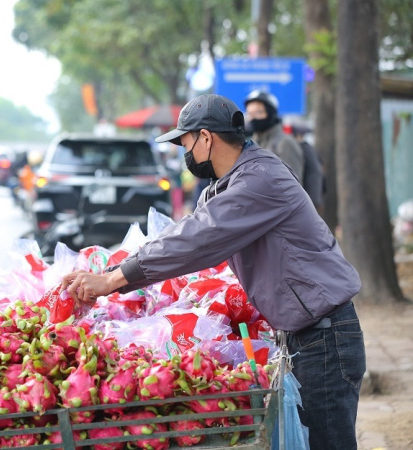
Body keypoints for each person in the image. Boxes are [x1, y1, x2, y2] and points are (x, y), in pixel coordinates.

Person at [61, 94, 365, 450]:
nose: (183, 152)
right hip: (305, 335)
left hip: (325, 338)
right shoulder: (227, 184)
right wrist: (110, 273)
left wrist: (112, 281)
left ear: (205, 138)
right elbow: (181, 231)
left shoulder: (260, 179)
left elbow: (197, 239)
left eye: (184, 141)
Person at [244, 90, 305, 182]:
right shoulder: (251, 144)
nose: (253, 118)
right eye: (250, 114)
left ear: (271, 114)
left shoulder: (285, 143)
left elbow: (292, 185)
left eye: (259, 113)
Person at [289, 120, 325, 212]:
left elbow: (315, 172)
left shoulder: (305, 149)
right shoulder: (306, 148)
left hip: (307, 199)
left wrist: (314, 201)